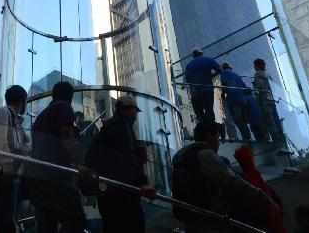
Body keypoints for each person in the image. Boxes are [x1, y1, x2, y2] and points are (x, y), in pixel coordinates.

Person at [171, 121, 276, 232]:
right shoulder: (206, 155)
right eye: (217, 136)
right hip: (210, 219)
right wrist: (262, 196)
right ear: (208, 135)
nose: (219, 142)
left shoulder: (184, 156)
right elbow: (232, 180)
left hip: (191, 217)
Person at [26, 81, 92, 233]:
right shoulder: (63, 107)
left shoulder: (41, 116)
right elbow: (67, 136)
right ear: (70, 96)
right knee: (76, 221)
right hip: (58, 176)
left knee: (46, 225)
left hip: (39, 178)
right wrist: (79, 165)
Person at [84, 96, 157, 232]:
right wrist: (143, 182)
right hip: (122, 195)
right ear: (132, 110)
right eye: (135, 111)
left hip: (107, 194)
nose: (136, 116)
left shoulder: (108, 127)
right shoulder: (122, 124)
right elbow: (127, 155)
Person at [0, 84, 30, 219]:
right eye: (26, 101)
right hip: (6, 175)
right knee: (4, 216)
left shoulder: (18, 122)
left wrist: (27, 147)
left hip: (15, 175)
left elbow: (30, 142)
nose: (27, 104)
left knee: (11, 216)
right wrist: (8, 168)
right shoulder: (3, 112)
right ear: (22, 100)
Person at [233, 145, 287, 233]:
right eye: (250, 154)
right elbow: (263, 196)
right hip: (270, 215)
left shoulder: (247, 176)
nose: (253, 156)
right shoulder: (252, 175)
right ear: (247, 157)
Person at [219, 63, 261, 141]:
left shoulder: (224, 73)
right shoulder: (237, 75)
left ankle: (247, 138)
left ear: (223, 68)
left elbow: (225, 84)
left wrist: (222, 95)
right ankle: (247, 137)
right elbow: (244, 88)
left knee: (238, 120)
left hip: (234, 100)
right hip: (242, 100)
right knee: (242, 120)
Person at [184, 49, 222, 129]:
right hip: (207, 89)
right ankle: (212, 130)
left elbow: (187, 80)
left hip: (195, 92)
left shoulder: (189, 65)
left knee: (199, 112)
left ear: (193, 56)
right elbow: (219, 69)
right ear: (201, 54)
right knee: (209, 110)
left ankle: (204, 130)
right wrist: (211, 76)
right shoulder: (208, 59)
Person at [253, 59, 283, 143]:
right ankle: (279, 138)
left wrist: (257, 97)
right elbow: (273, 87)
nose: (254, 67)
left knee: (268, 121)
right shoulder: (268, 74)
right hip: (271, 100)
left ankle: (274, 140)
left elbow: (259, 87)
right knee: (274, 120)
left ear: (257, 65)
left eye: (254, 65)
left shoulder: (257, 74)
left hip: (263, 101)